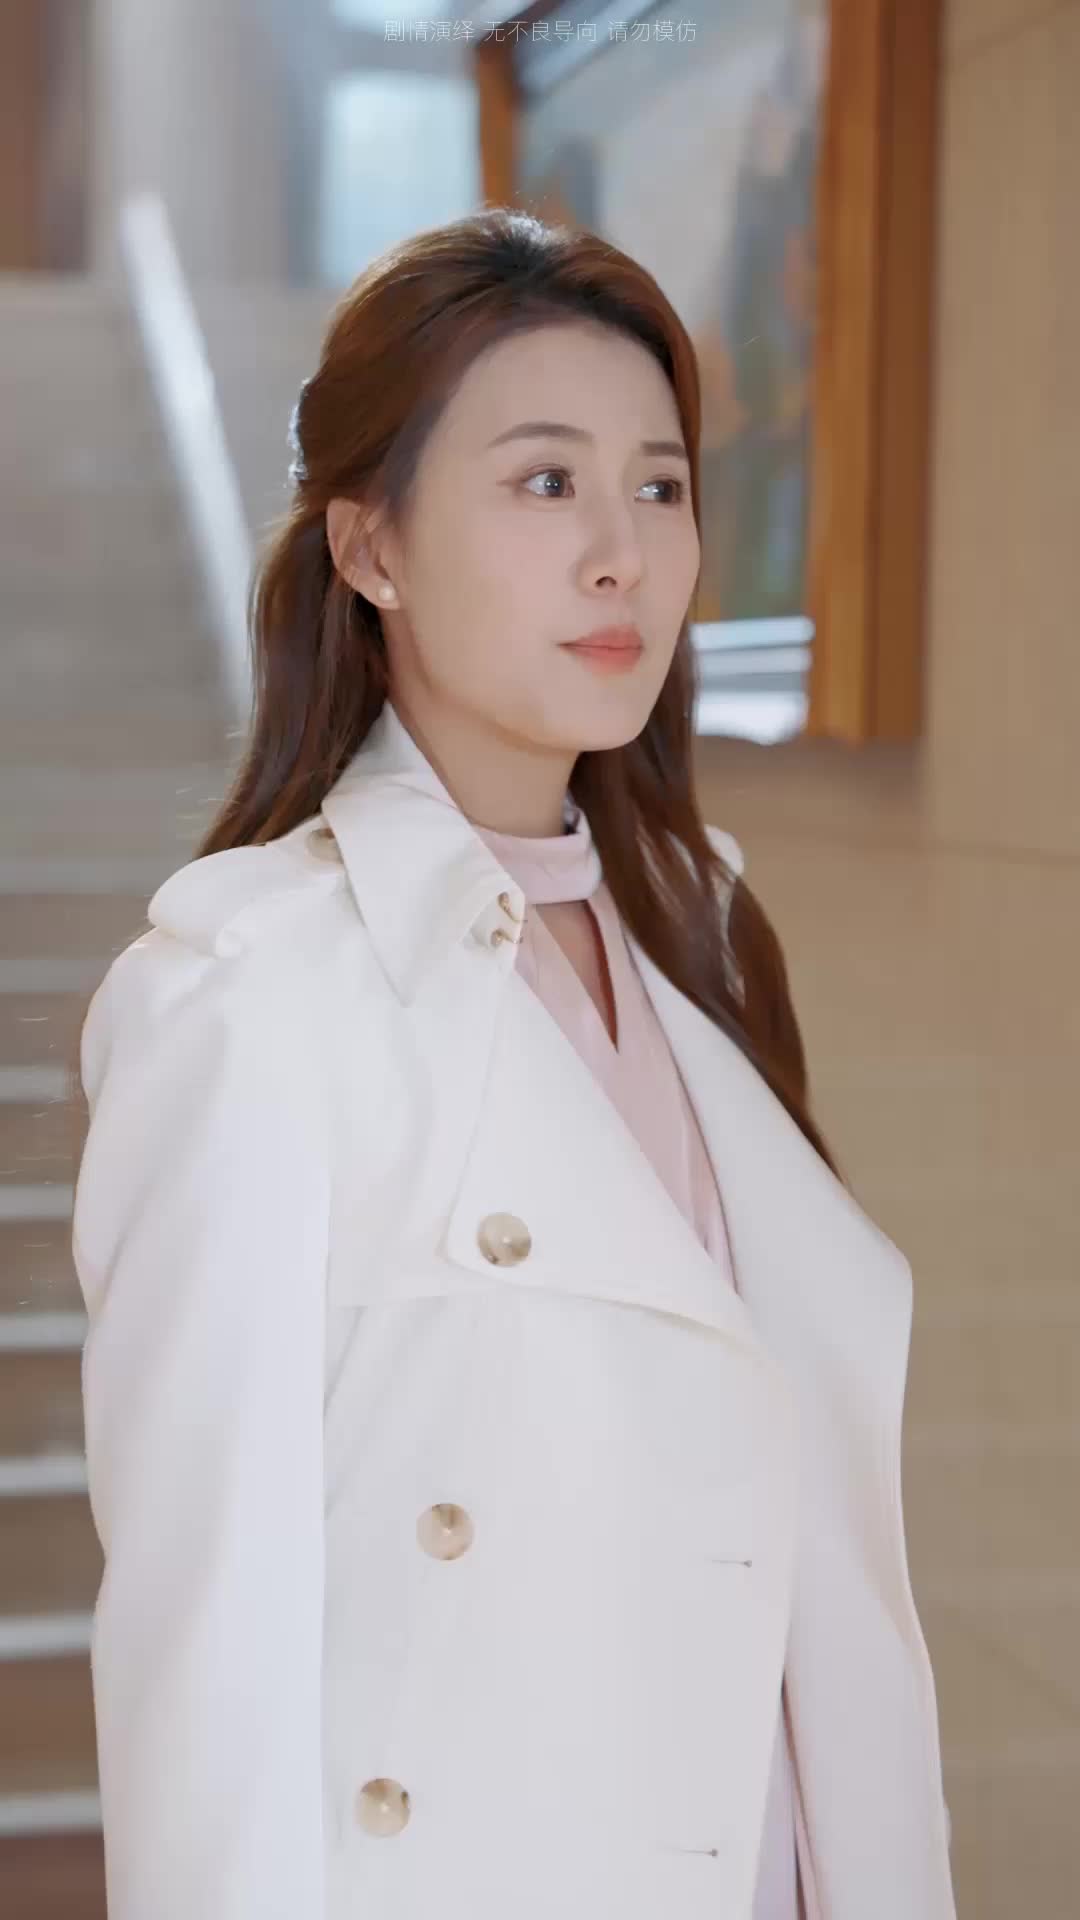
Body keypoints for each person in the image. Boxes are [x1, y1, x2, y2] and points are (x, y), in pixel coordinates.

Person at [71, 206, 956, 1920]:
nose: (624, 554)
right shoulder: (250, 994)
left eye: (661, 485)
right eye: (546, 482)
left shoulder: (699, 932)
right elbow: (208, 1673)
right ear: (372, 547)